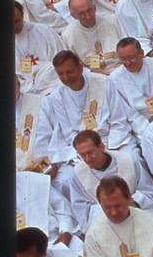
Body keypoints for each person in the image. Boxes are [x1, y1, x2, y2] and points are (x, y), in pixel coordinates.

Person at [38, 51, 133, 199]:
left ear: (81, 68)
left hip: (112, 140)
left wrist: (107, 147)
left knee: (133, 160)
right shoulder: (57, 96)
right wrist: (87, 150)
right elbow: (69, 132)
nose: (66, 78)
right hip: (82, 148)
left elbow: (118, 120)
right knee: (66, 180)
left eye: (69, 72)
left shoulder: (103, 82)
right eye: (61, 74)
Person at [68, 129, 153, 232]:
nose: (87, 159)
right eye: (82, 155)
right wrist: (110, 208)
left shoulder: (128, 160)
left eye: (91, 153)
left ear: (102, 147)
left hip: (137, 215)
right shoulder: (78, 175)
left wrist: (133, 202)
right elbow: (83, 212)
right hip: (106, 226)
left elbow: (150, 192)